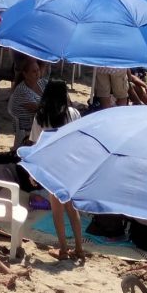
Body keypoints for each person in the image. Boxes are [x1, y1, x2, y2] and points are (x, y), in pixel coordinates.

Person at [29, 79, 85, 261]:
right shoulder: (73, 113)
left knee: (57, 210)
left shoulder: (41, 116)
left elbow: (35, 146)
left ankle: (63, 249)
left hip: (51, 166)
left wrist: (32, 172)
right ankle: (78, 248)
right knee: (71, 207)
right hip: (71, 164)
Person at [9, 58, 47, 145]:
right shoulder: (22, 90)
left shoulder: (42, 83)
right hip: (28, 125)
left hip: (40, 121)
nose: (37, 73)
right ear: (25, 74)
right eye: (34, 71)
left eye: (38, 70)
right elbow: (38, 109)